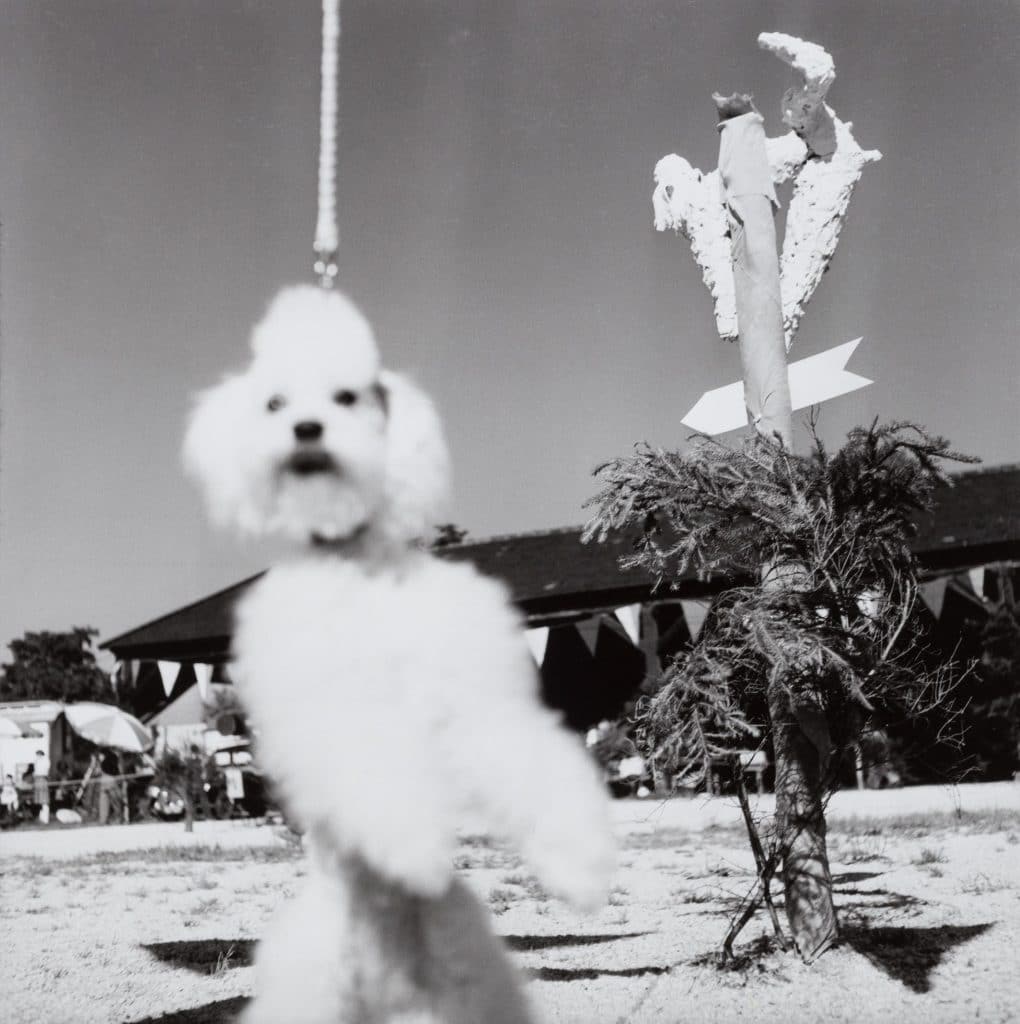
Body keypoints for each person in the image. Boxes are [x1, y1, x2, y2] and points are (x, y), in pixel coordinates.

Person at [33, 748, 51, 824]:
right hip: (37, 780)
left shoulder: (45, 761)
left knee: (44, 799)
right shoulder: (37, 761)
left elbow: (44, 772)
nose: (37, 756)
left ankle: (45, 818)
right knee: (40, 800)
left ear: (41, 755)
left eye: (38, 755)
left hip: (42, 779)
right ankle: (42, 817)